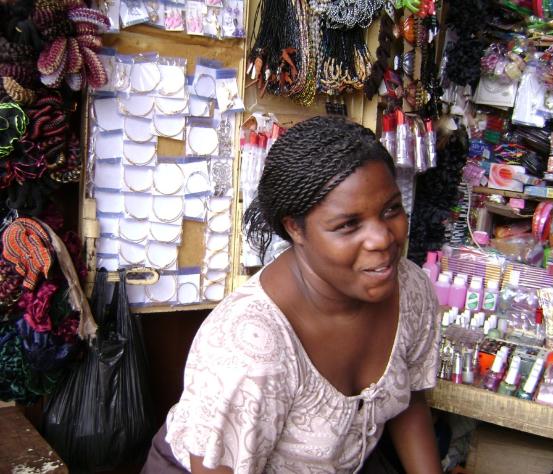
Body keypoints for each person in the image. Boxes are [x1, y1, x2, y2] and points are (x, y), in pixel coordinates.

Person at [142, 116, 442, 473]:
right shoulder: (250, 348)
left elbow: (409, 401)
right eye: (348, 225)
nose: (383, 239)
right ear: (295, 229)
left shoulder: (411, 290)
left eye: (391, 209)